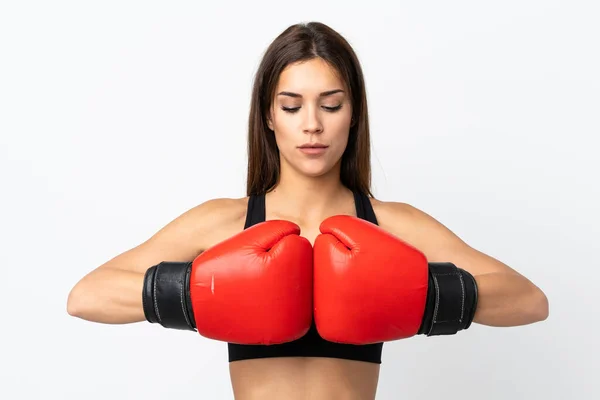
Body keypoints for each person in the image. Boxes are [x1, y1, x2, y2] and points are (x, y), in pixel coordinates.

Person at [67, 21, 549, 400]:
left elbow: (529, 301)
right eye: (292, 106)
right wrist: (199, 294)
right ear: (269, 117)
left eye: (331, 105)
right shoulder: (224, 222)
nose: (313, 125)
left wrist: (421, 297)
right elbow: (87, 296)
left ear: (354, 112)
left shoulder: (391, 225)